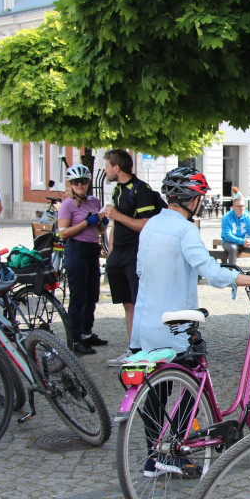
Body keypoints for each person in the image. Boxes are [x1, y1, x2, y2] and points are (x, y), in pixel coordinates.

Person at [130, 167, 250, 355]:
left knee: (154, 384)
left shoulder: (151, 224)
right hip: (171, 329)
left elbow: (140, 271)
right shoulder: (185, 229)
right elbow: (213, 273)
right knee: (188, 378)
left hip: (143, 326)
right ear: (194, 200)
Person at [100, 149, 167, 367]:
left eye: (107, 166)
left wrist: (116, 215)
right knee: (127, 303)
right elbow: (115, 224)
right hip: (118, 254)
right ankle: (132, 348)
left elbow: (147, 224)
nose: (105, 170)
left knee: (140, 303)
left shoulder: (141, 190)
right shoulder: (118, 190)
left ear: (116, 168)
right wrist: (110, 252)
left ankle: (144, 350)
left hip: (136, 254)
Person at [56, 165, 107, 355]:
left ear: (88, 183)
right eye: (76, 182)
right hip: (75, 250)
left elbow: (99, 230)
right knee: (78, 297)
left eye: (83, 181)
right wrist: (86, 222)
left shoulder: (94, 201)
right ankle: (75, 338)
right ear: (70, 184)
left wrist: (102, 224)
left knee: (92, 294)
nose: (80, 185)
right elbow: (63, 234)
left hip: (92, 250)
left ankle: (87, 331)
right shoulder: (67, 204)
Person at [220, 196, 250, 270]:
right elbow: (227, 235)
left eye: (243, 206)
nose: (241, 208)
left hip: (243, 243)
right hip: (228, 242)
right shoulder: (226, 217)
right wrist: (242, 241)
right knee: (233, 248)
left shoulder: (248, 217)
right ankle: (232, 272)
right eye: (239, 206)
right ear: (233, 207)